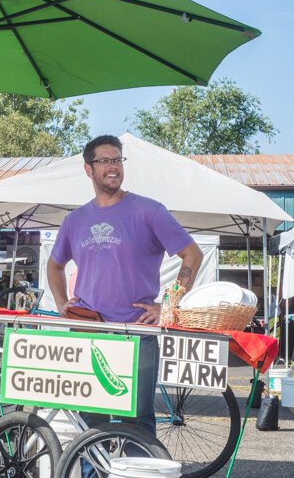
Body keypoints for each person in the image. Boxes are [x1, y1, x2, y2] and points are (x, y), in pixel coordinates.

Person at [47, 135, 203, 441]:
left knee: (138, 418)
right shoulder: (75, 220)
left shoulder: (149, 211)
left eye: (117, 159)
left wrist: (168, 305)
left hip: (137, 332)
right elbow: (54, 266)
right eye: (104, 161)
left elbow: (192, 255)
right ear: (88, 169)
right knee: (90, 418)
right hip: (88, 330)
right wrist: (61, 302)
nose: (113, 167)